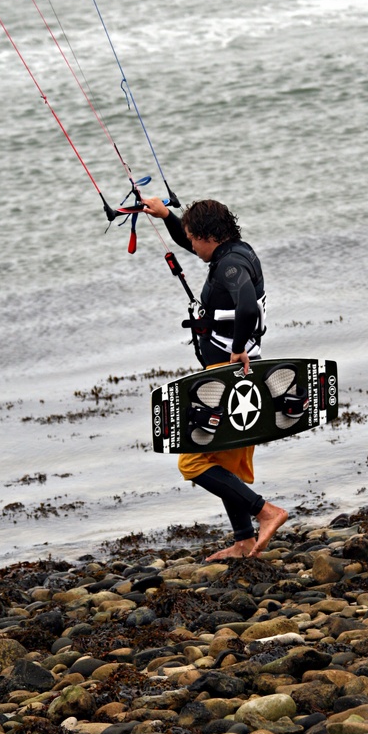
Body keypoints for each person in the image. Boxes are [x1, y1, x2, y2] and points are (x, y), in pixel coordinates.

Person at [143, 197, 288, 559]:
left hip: (227, 376)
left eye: (193, 239)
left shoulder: (231, 265)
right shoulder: (236, 253)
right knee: (222, 463)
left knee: (191, 462)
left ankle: (267, 512)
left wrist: (236, 346)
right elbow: (195, 247)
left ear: (209, 236)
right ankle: (243, 540)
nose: (190, 246)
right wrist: (167, 217)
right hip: (243, 374)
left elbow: (246, 304)